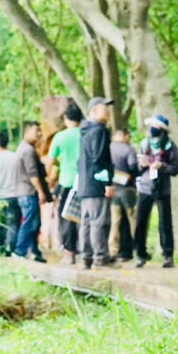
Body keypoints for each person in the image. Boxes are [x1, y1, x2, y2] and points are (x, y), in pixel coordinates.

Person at [134, 115, 178, 269]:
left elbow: (175, 169)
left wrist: (162, 166)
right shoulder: (144, 144)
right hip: (146, 187)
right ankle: (140, 255)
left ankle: (168, 255)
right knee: (141, 222)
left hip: (163, 188)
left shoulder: (170, 146)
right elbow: (138, 169)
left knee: (165, 223)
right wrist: (142, 164)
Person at [77, 97, 116, 269]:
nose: (107, 111)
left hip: (85, 184)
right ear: (93, 111)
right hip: (96, 184)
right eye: (104, 108)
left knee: (86, 222)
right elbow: (99, 159)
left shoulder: (85, 131)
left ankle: (86, 257)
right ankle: (100, 257)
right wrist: (107, 182)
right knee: (99, 221)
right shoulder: (99, 130)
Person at [0, 131, 36, 257]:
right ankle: (11, 247)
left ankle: (1, 246)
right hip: (14, 195)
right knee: (13, 222)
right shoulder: (15, 157)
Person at [46, 102, 83, 263]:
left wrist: (48, 178)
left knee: (66, 216)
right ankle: (86, 249)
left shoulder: (60, 137)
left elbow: (50, 160)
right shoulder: (85, 134)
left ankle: (69, 251)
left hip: (67, 182)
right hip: (84, 181)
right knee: (85, 216)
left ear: (66, 119)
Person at [15, 121, 51, 262]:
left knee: (34, 223)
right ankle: (20, 250)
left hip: (24, 192)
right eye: (37, 130)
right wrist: (41, 191)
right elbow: (32, 174)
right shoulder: (28, 150)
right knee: (30, 223)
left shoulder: (25, 148)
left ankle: (34, 251)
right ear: (27, 131)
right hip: (28, 192)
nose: (40, 133)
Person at [109, 128, 139, 262]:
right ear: (125, 136)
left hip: (113, 189)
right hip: (127, 190)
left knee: (115, 221)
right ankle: (138, 249)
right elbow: (133, 166)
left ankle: (112, 250)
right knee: (133, 219)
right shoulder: (129, 150)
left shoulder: (108, 149)